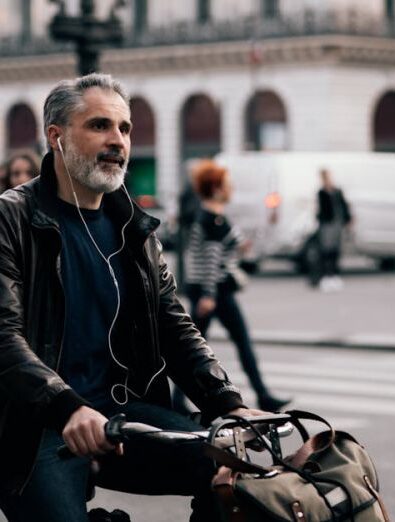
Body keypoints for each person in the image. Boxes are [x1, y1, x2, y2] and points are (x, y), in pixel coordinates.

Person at [0, 73, 265, 522]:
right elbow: (4, 335)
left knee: (235, 478)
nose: (117, 140)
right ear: (56, 136)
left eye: (124, 128)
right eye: (99, 125)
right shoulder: (12, 216)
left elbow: (171, 324)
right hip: (38, 422)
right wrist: (66, 405)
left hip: (121, 409)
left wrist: (228, 403)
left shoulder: (134, 228)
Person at [175, 159, 290, 413]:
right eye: (227, 185)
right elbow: (210, 259)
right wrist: (208, 294)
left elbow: (217, 250)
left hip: (211, 290)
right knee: (228, 343)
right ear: (216, 188)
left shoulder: (211, 217)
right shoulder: (211, 219)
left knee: (193, 345)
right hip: (216, 291)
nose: (231, 189)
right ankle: (263, 395)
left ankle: (178, 399)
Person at [315, 168, 352, 292]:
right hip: (326, 224)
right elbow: (319, 209)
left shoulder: (337, 191)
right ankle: (326, 276)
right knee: (326, 250)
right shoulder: (321, 192)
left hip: (337, 223)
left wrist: (348, 219)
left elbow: (344, 205)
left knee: (335, 249)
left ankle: (335, 275)